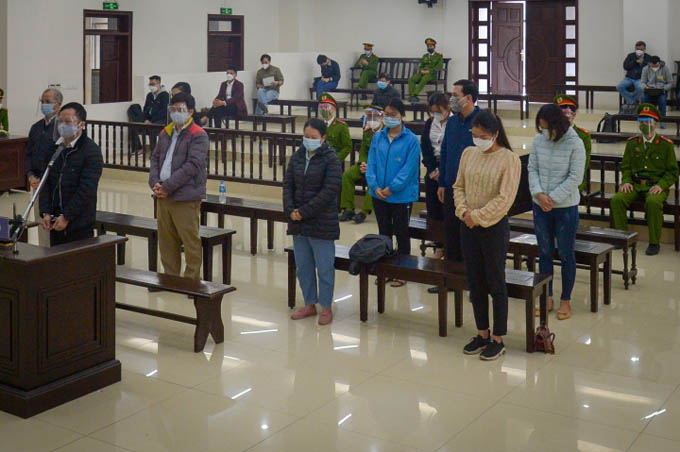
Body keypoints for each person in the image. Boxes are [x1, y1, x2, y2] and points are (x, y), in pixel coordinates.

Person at [455, 111, 521, 360]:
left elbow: (505, 198)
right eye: (474, 135)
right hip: (468, 225)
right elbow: (458, 186)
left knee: (495, 281)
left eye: (483, 137)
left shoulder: (509, 159)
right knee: (475, 281)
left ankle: (498, 338)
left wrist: (478, 216)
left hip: (493, 228)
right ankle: (482, 333)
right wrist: (464, 212)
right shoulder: (468, 153)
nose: (478, 140)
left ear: (495, 135)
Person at [529, 103, 585, 320]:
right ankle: (547, 297)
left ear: (557, 125)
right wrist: (539, 194)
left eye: (547, 127)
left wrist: (553, 198)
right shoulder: (538, 140)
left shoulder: (575, 143)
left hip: (565, 208)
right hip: (540, 205)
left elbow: (575, 177)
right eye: (541, 127)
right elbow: (532, 168)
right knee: (544, 252)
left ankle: (565, 300)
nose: (544, 132)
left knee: (565, 253)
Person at [284, 118, 342, 325]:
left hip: (321, 222)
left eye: (313, 137)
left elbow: (329, 191)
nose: (309, 140)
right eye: (306, 136)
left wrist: (304, 212)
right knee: (303, 267)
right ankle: (310, 304)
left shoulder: (331, 159)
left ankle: (326, 307)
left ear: (323, 138)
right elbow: (288, 185)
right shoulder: (298, 156)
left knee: (324, 268)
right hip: (299, 222)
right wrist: (290, 210)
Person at [149, 92, 209, 280]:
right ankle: (170, 278)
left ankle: (191, 281)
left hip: (185, 196)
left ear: (190, 112)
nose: (176, 113)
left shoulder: (198, 134)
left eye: (180, 109)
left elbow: (192, 165)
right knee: (166, 241)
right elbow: (155, 158)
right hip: (162, 195)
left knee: (189, 241)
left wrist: (167, 186)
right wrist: (155, 182)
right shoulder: (165, 132)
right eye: (172, 109)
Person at [431, 79, 480, 294]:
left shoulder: (482, 120)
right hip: (451, 187)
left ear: (468, 98)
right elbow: (445, 153)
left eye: (455, 95)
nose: (451, 99)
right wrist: (442, 182)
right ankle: (451, 281)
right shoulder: (451, 122)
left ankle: (473, 282)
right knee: (451, 235)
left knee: (470, 236)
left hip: (473, 190)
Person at [366, 99, 420, 287]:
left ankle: (402, 272)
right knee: (384, 233)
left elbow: (409, 169)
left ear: (402, 116)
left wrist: (391, 188)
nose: (389, 118)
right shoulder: (378, 137)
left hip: (400, 196)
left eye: (393, 114)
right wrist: (374, 186)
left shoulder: (411, 140)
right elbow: (371, 163)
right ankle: (386, 270)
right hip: (378, 194)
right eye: (386, 114)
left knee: (401, 233)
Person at [611, 103, 678, 256]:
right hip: (635, 185)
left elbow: (672, 172)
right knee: (617, 200)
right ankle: (622, 237)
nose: (645, 124)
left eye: (648, 121)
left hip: (655, 186)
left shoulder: (665, 145)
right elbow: (626, 167)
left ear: (656, 123)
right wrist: (626, 181)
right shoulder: (632, 143)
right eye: (642, 121)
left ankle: (654, 242)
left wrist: (661, 185)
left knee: (653, 202)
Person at [39, 102, 103, 246]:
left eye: (68, 121)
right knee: (56, 258)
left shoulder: (91, 151)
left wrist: (67, 216)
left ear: (81, 125)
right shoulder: (54, 149)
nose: (62, 125)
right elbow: (45, 183)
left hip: (79, 223)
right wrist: (45, 212)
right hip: (55, 221)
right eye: (60, 121)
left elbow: (86, 190)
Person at [26, 87, 62, 246]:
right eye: (42, 101)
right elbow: (28, 154)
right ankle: (43, 253)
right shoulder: (36, 127)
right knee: (42, 223)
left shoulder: (61, 127)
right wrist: (30, 176)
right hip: (37, 183)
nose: (44, 105)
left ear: (58, 104)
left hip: (54, 184)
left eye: (48, 102)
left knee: (55, 226)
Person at [339, 105, 383, 224]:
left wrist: (371, 167)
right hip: (366, 164)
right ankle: (348, 208)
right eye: (369, 117)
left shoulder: (387, 132)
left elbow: (386, 154)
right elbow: (363, 150)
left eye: (374, 117)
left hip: (380, 167)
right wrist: (363, 163)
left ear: (382, 117)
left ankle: (364, 212)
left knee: (374, 179)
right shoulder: (367, 131)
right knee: (347, 175)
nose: (371, 120)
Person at [421, 92, 452, 259]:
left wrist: (443, 169)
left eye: (439, 111)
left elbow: (454, 149)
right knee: (434, 211)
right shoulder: (429, 124)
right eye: (433, 111)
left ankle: (450, 246)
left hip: (449, 169)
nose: (436, 115)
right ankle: (438, 246)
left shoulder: (454, 123)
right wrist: (432, 168)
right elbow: (425, 148)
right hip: (432, 171)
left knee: (448, 210)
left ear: (447, 108)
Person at [554, 95, 591, 192]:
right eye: (563, 109)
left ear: (574, 115)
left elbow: (583, 164)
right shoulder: (551, 134)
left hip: (574, 180)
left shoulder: (582, 136)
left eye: (570, 110)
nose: (567, 113)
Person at [617, 41, 651, 113]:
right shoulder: (630, 56)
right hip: (629, 78)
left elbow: (650, 68)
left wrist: (643, 63)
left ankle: (631, 102)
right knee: (619, 87)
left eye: (641, 49)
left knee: (640, 88)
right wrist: (635, 62)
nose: (639, 51)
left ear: (644, 49)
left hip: (640, 78)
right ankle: (632, 102)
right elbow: (625, 66)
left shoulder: (648, 57)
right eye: (637, 49)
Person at [640, 56, 673, 125]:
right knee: (644, 99)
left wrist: (664, 88)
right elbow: (642, 82)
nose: (654, 66)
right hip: (649, 90)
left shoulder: (665, 68)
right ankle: (646, 120)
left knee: (662, 100)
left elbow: (670, 83)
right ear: (650, 63)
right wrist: (645, 87)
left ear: (659, 63)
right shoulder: (645, 69)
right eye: (653, 65)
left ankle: (662, 120)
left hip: (661, 90)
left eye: (656, 65)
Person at [318, 93, 352, 161]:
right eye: (321, 107)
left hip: (333, 159)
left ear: (333, 109)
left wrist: (336, 159)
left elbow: (347, 147)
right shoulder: (318, 124)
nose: (323, 110)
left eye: (326, 107)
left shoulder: (341, 126)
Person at [408, 38, 443, 103]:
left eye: (431, 46)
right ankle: (411, 95)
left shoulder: (439, 56)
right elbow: (421, 66)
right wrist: (421, 71)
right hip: (422, 73)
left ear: (434, 47)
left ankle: (414, 95)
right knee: (412, 79)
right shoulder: (425, 56)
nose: (430, 48)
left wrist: (429, 71)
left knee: (424, 79)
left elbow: (439, 66)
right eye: (428, 46)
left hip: (432, 74)